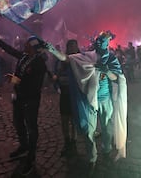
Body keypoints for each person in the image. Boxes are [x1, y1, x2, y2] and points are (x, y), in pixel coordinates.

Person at [46, 31, 128, 176]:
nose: (100, 45)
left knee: (106, 128)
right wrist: (52, 50)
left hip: (105, 99)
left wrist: (107, 71)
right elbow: (67, 59)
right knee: (88, 131)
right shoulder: (88, 56)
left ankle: (107, 150)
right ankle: (92, 158)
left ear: (107, 44)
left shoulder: (111, 58)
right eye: (98, 42)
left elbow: (117, 78)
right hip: (89, 100)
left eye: (103, 42)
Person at [0, 30, 47, 175]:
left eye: (28, 44)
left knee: (31, 127)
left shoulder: (40, 62)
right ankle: (24, 146)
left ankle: (31, 155)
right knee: (17, 122)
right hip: (19, 96)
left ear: (34, 47)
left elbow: (35, 84)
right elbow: (11, 50)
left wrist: (16, 80)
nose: (24, 45)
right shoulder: (24, 57)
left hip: (31, 99)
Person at [52, 39, 79, 157]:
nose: (72, 49)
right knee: (64, 120)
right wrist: (56, 78)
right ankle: (67, 141)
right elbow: (56, 73)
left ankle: (73, 141)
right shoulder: (61, 61)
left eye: (74, 47)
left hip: (75, 95)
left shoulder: (80, 60)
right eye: (70, 47)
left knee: (73, 121)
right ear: (67, 48)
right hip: (64, 94)